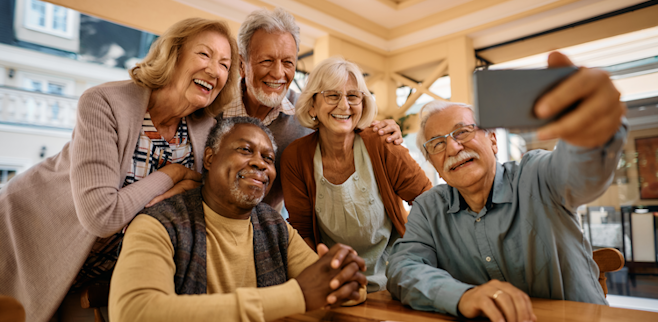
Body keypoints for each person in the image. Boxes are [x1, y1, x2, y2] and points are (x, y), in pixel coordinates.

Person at [0, 18, 240, 322]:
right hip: (31, 235)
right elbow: (102, 216)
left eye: (224, 64)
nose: (214, 70)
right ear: (173, 55)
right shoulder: (104, 102)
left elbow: (194, 209)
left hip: (99, 271)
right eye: (204, 54)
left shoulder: (206, 132)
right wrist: (172, 176)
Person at [386, 52, 628, 322]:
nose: (453, 147)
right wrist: (462, 296)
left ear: (492, 140)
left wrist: (592, 134)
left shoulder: (536, 175)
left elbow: (581, 173)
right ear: (433, 161)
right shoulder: (429, 207)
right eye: (437, 144)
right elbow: (403, 268)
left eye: (462, 132)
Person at [109, 116, 367, 322]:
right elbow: (133, 312)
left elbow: (336, 289)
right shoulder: (159, 223)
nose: (260, 164)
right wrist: (296, 296)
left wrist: (347, 275)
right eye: (245, 150)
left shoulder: (274, 225)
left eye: (268, 158)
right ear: (210, 158)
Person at [220, 8, 403, 211]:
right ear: (242, 64)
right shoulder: (212, 108)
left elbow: (348, 126)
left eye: (288, 62)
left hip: (268, 230)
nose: (278, 73)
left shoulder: (309, 110)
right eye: (267, 61)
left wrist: (385, 129)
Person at [281, 57, 433, 293]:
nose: (344, 106)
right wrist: (325, 279)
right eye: (332, 95)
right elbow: (303, 232)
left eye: (353, 96)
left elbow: (428, 201)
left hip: (396, 279)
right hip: (336, 282)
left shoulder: (382, 142)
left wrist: (410, 256)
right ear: (312, 105)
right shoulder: (295, 157)